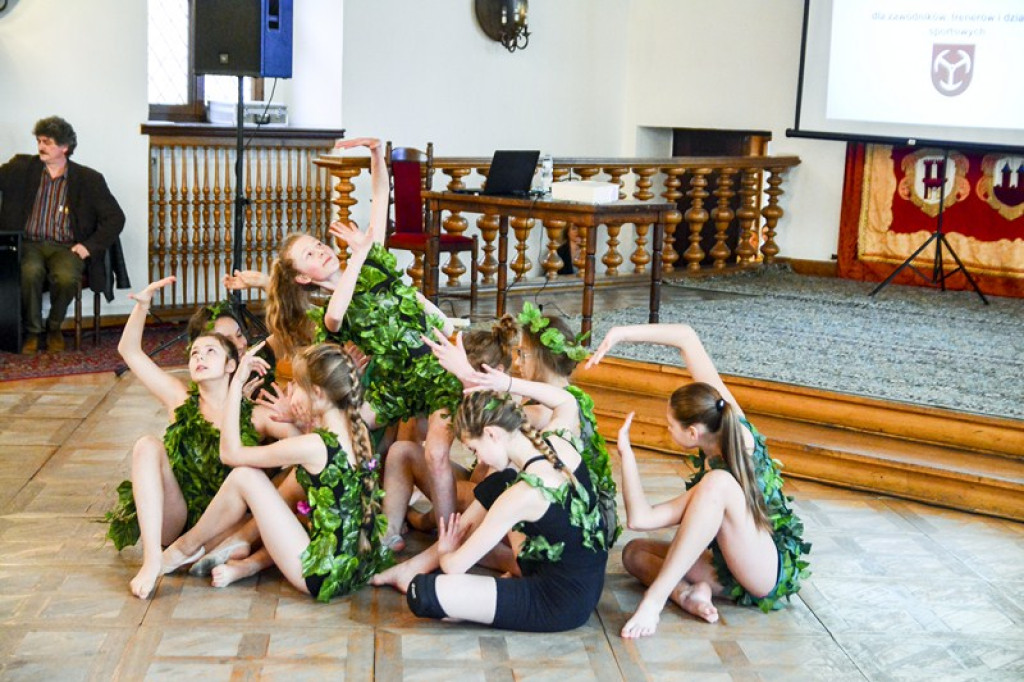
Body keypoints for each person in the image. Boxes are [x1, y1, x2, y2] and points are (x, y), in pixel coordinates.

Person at [260, 136, 464, 524]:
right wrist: (358, 254)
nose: (321, 249)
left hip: (435, 369)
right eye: (310, 254)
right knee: (341, 434)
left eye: (319, 243)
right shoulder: (331, 311)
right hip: (392, 387)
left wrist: (375, 154)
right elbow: (337, 315)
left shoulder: (371, 261)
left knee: (436, 452)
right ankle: (334, 512)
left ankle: (445, 535)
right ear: (303, 279)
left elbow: (381, 196)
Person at [585, 323, 811, 637]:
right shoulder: (713, 434)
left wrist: (625, 332)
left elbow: (687, 337)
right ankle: (686, 594)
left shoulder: (737, 441)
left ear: (693, 434)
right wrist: (627, 456)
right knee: (634, 553)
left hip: (762, 570)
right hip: (729, 566)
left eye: (670, 426)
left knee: (717, 482)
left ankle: (656, 600)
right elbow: (640, 519)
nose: (667, 430)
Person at [372, 370, 610, 632]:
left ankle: (488, 589)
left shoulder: (519, 496)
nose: (480, 460)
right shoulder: (558, 441)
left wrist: (446, 549)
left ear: (492, 433)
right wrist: (508, 383)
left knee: (423, 593)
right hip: (589, 583)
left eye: (474, 449)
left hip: (558, 603)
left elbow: (453, 567)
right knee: (501, 480)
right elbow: (566, 401)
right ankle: (493, 583)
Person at [103, 277, 295, 599]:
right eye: (195, 353)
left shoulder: (256, 414)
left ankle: (216, 550)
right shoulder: (179, 398)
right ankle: (153, 560)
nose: (199, 358)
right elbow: (129, 352)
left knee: (247, 475)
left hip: (223, 524)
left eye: (210, 350)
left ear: (232, 363)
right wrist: (142, 306)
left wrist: (294, 415)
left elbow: (307, 446)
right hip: (177, 520)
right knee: (146, 445)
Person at [161, 342, 394, 602]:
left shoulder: (314, 446)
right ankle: (245, 555)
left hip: (320, 576)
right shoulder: (356, 429)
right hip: (352, 569)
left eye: (296, 385)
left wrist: (236, 386)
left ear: (317, 393)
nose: (290, 390)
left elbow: (230, 454)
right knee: (299, 485)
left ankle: (184, 548)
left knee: (245, 476)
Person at [381, 317, 519, 550]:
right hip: (475, 484)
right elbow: (435, 453)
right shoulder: (455, 392)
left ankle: (444, 537)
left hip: (502, 500)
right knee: (401, 452)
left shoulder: (510, 400)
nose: (460, 384)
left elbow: (490, 481)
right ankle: (389, 533)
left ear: (498, 372)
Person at [0, 116, 125, 354]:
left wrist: (89, 246)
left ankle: (54, 327)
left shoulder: (89, 179)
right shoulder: (21, 168)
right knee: (29, 272)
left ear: (64, 147)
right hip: (30, 244)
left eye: (47, 142)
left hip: (66, 246)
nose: (40, 147)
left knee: (67, 277)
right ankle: (33, 331)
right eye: (39, 141)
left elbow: (115, 218)